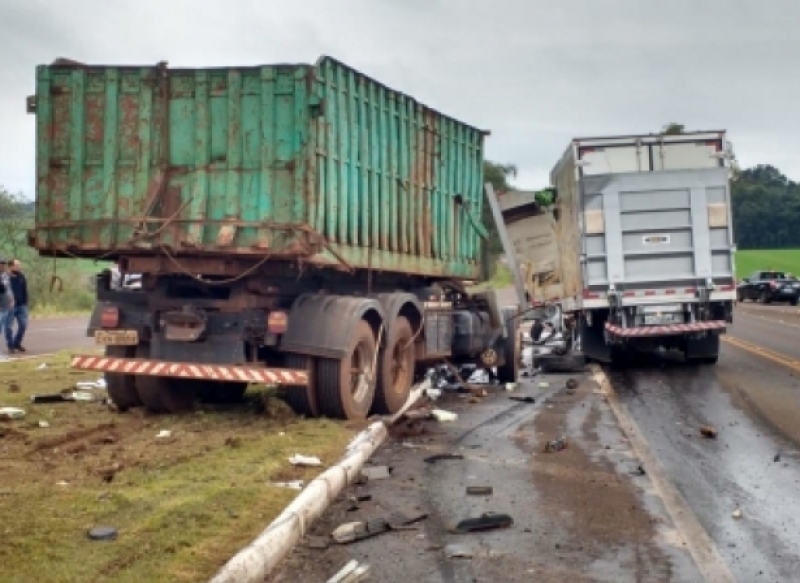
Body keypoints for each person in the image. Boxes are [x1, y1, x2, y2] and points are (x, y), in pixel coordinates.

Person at [6, 259, 28, 353]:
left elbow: (24, 290)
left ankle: (17, 343)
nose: (19, 267)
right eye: (17, 265)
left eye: (19, 265)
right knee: (8, 327)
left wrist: (25, 303)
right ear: (10, 266)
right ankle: (10, 345)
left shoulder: (21, 276)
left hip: (21, 306)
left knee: (23, 325)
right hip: (9, 306)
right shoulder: (5, 277)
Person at [0, 258, 14, 358]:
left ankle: (11, 345)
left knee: (8, 327)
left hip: (7, 305)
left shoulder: (5, 276)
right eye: (1, 264)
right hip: (1, 307)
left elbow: (6, 288)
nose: (3, 266)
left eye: (3, 264)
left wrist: (12, 299)